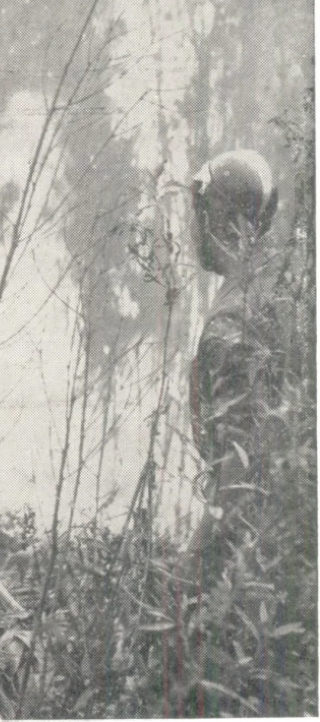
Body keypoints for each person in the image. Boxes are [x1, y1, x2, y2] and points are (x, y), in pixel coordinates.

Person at [184, 149, 282, 582]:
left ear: (219, 218)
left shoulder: (232, 321)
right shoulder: (267, 290)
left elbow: (237, 476)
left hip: (250, 561)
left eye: (200, 212)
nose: (192, 226)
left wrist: (190, 571)